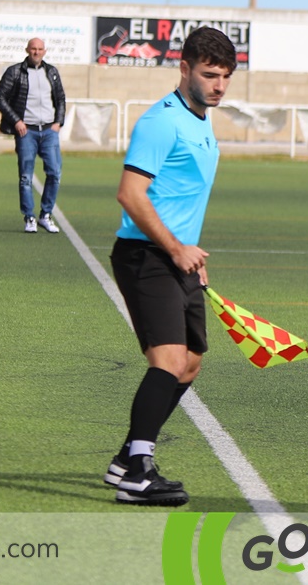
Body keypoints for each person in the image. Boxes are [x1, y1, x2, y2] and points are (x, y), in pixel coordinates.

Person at [102, 27, 237, 505]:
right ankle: (139, 471)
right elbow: (130, 194)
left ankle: (124, 459)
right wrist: (176, 249)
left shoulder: (201, 119)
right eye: (208, 75)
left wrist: (189, 254)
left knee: (190, 364)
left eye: (225, 76)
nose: (218, 85)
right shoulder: (162, 122)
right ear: (184, 69)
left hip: (179, 258)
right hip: (146, 254)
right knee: (168, 361)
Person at [0, 38, 66, 233]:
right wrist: (16, 121)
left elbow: (60, 98)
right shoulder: (15, 71)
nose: (36, 52)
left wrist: (58, 122)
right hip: (27, 132)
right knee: (26, 176)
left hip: (49, 131)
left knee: (54, 173)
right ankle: (29, 217)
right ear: (27, 50)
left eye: (40, 49)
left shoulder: (52, 72)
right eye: (33, 48)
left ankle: (45, 215)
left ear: (45, 51)